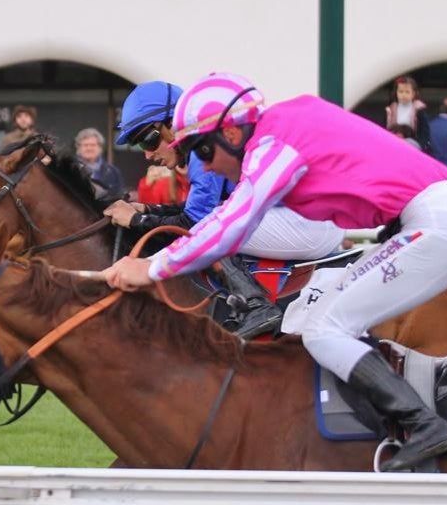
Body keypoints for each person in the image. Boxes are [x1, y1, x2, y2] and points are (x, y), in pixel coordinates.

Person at [103, 72, 447, 472]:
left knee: (324, 330)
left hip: (440, 223)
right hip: (434, 216)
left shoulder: (271, 146)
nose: (204, 167)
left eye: (202, 152)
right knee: (325, 321)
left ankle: (422, 423)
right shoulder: (285, 123)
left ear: (232, 136)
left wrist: (152, 267)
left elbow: (230, 225)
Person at [103, 80, 345, 338]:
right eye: (141, 146)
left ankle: (255, 305)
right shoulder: (206, 146)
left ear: (173, 124)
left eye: (148, 141)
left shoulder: (201, 151)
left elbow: (196, 223)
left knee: (213, 228)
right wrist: (150, 210)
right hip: (309, 223)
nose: (148, 155)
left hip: (309, 226)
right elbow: (199, 210)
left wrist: (137, 220)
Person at [384, 76, 430, 154]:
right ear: (396, 93)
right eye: (401, 91)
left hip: (412, 147)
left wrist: (419, 145)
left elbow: (424, 133)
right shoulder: (391, 109)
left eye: (407, 92)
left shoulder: (418, 110)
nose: (403, 95)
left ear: (413, 94)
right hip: (393, 145)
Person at [74, 128, 124, 197]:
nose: (89, 148)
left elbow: (119, 196)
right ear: (78, 148)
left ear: (100, 148)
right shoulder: (70, 168)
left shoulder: (113, 172)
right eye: (85, 145)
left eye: (93, 145)